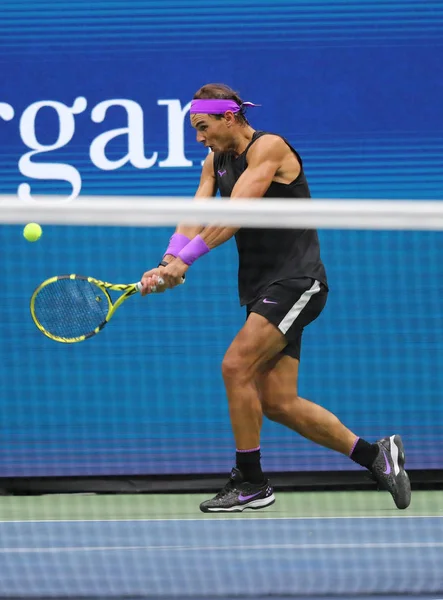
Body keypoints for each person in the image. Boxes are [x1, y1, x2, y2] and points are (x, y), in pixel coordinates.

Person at [141, 83, 411, 513]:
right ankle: (375, 455)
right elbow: (197, 209)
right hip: (260, 287)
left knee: (234, 366)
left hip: (296, 281)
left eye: (203, 126)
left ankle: (251, 481)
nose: (199, 137)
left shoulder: (270, 148)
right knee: (278, 402)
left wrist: (186, 262)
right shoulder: (215, 160)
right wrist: (169, 257)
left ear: (229, 117)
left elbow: (235, 213)